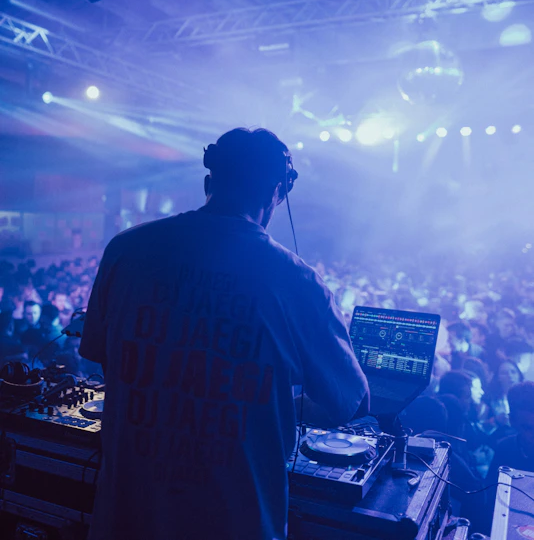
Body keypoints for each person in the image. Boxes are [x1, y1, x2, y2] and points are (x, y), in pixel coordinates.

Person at [80, 128, 369, 540]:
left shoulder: (125, 249)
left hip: (123, 519)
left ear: (208, 182)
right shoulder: (297, 281)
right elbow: (352, 403)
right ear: (277, 193)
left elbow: (105, 357)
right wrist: (263, 397)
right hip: (236, 524)